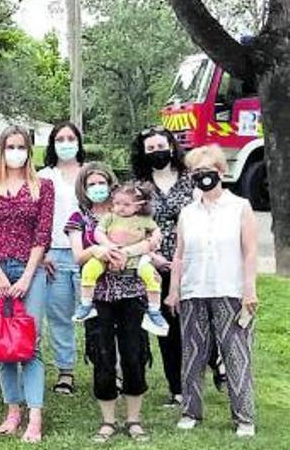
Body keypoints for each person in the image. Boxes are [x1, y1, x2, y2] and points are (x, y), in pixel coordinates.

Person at [167, 145, 259, 438]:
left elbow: (250, 251)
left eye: (207, 171)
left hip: (229, 289)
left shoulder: (240, 207)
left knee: (235, 353)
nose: (202, 177)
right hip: (194, 290)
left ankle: (244, 417)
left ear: (221, 172)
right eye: (196, 172)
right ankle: (191, 411)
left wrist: (249, 289)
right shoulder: (187, 213)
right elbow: (179, 255)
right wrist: (173, 290)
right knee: (193, 355)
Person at [0, 125, 54, 442]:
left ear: (29, 151)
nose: (16, 152)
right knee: (2, 342)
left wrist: (26, 276)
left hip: (28, 268)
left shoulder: (42, 186)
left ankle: (35, 416)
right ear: (1, 150)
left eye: (21, 147)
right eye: (11, 146)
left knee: (29, 343)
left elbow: (42, 233)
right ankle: (12, 409)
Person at [67, 163, 153, 443]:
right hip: (98, 299)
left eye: (101, 182)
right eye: (91, 183)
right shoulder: (78, 218)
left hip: (132, 294)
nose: (97, 188)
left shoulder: (133, 214)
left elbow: (153, 241)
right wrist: (98, 250)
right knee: (102, 355)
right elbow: (78, 257)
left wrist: (125, 252)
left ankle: (134, 419)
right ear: (83, 187)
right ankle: (107, 421)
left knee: (134, 354)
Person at [132, 128, 218, 405]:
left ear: (171, 147)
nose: (157, 151)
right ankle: (177, 388)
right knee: (167, 330)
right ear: (144, 154)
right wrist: (151, 255)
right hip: (158, 267)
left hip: (194, 263)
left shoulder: (190, 180)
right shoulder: (139, 187)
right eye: (150, 148)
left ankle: (215, 363)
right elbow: (134, 227)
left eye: (161, 145)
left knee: (199, 323)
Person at [73, 184, 169, 337]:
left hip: (136, 258)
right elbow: (98, 232)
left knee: (152, 277)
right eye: (117, 203)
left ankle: (154, 310)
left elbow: (156, 231)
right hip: (109, 254)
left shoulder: (143, 220)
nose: (120, 208)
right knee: (89, 269)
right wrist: (109, 246)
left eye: (126, 204)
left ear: (138, 206)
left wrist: (155, 237)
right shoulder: (110, 217)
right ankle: (86, 304)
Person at [36, 122, 85, 395]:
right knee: (59, 316)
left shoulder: (91, 174)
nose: (66, 143)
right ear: (53, 144)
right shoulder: (44, 177)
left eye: (71, 138)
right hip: (54, 254)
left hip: (88, 254)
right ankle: (65, 371)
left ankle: (109, 369)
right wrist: (42, 253)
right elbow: (36, 218)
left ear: (79, 142)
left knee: (97, 315)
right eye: (60, 139)